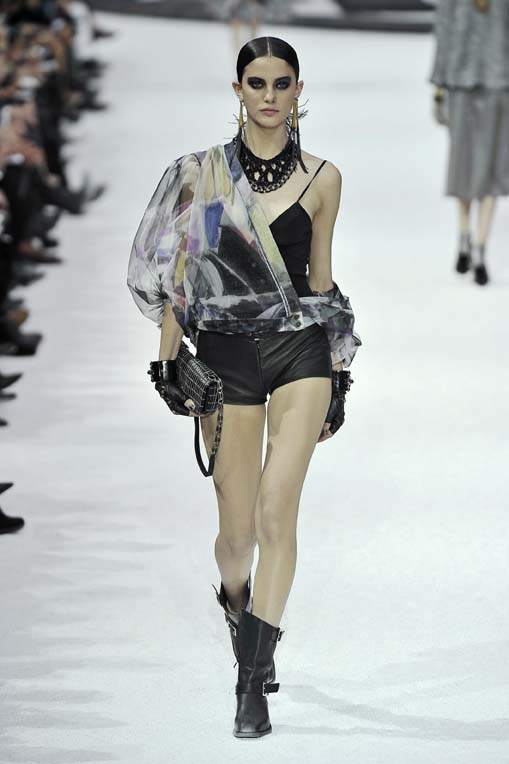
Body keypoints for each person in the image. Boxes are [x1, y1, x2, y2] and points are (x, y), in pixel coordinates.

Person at [128, 36, 361, 738]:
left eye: (281, 83)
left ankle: (250, 680)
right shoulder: (206, 177)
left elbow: (320, 282)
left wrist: (339, 370)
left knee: (275, 516)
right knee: (235, 536)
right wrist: (168, 359)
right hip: (225, 356)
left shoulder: (323, 179)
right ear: (237, 91)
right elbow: (187, 271)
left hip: (299, 352)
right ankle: (239, 607)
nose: (268, 95)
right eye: (256, 83)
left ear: (298, 91)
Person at [430, 0, 509, 285]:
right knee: (491, 167)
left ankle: (464, 233)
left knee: (463, 164)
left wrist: (439, 89)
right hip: (499, 82)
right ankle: (480, 247)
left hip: (460, 81)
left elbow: (444, 32)